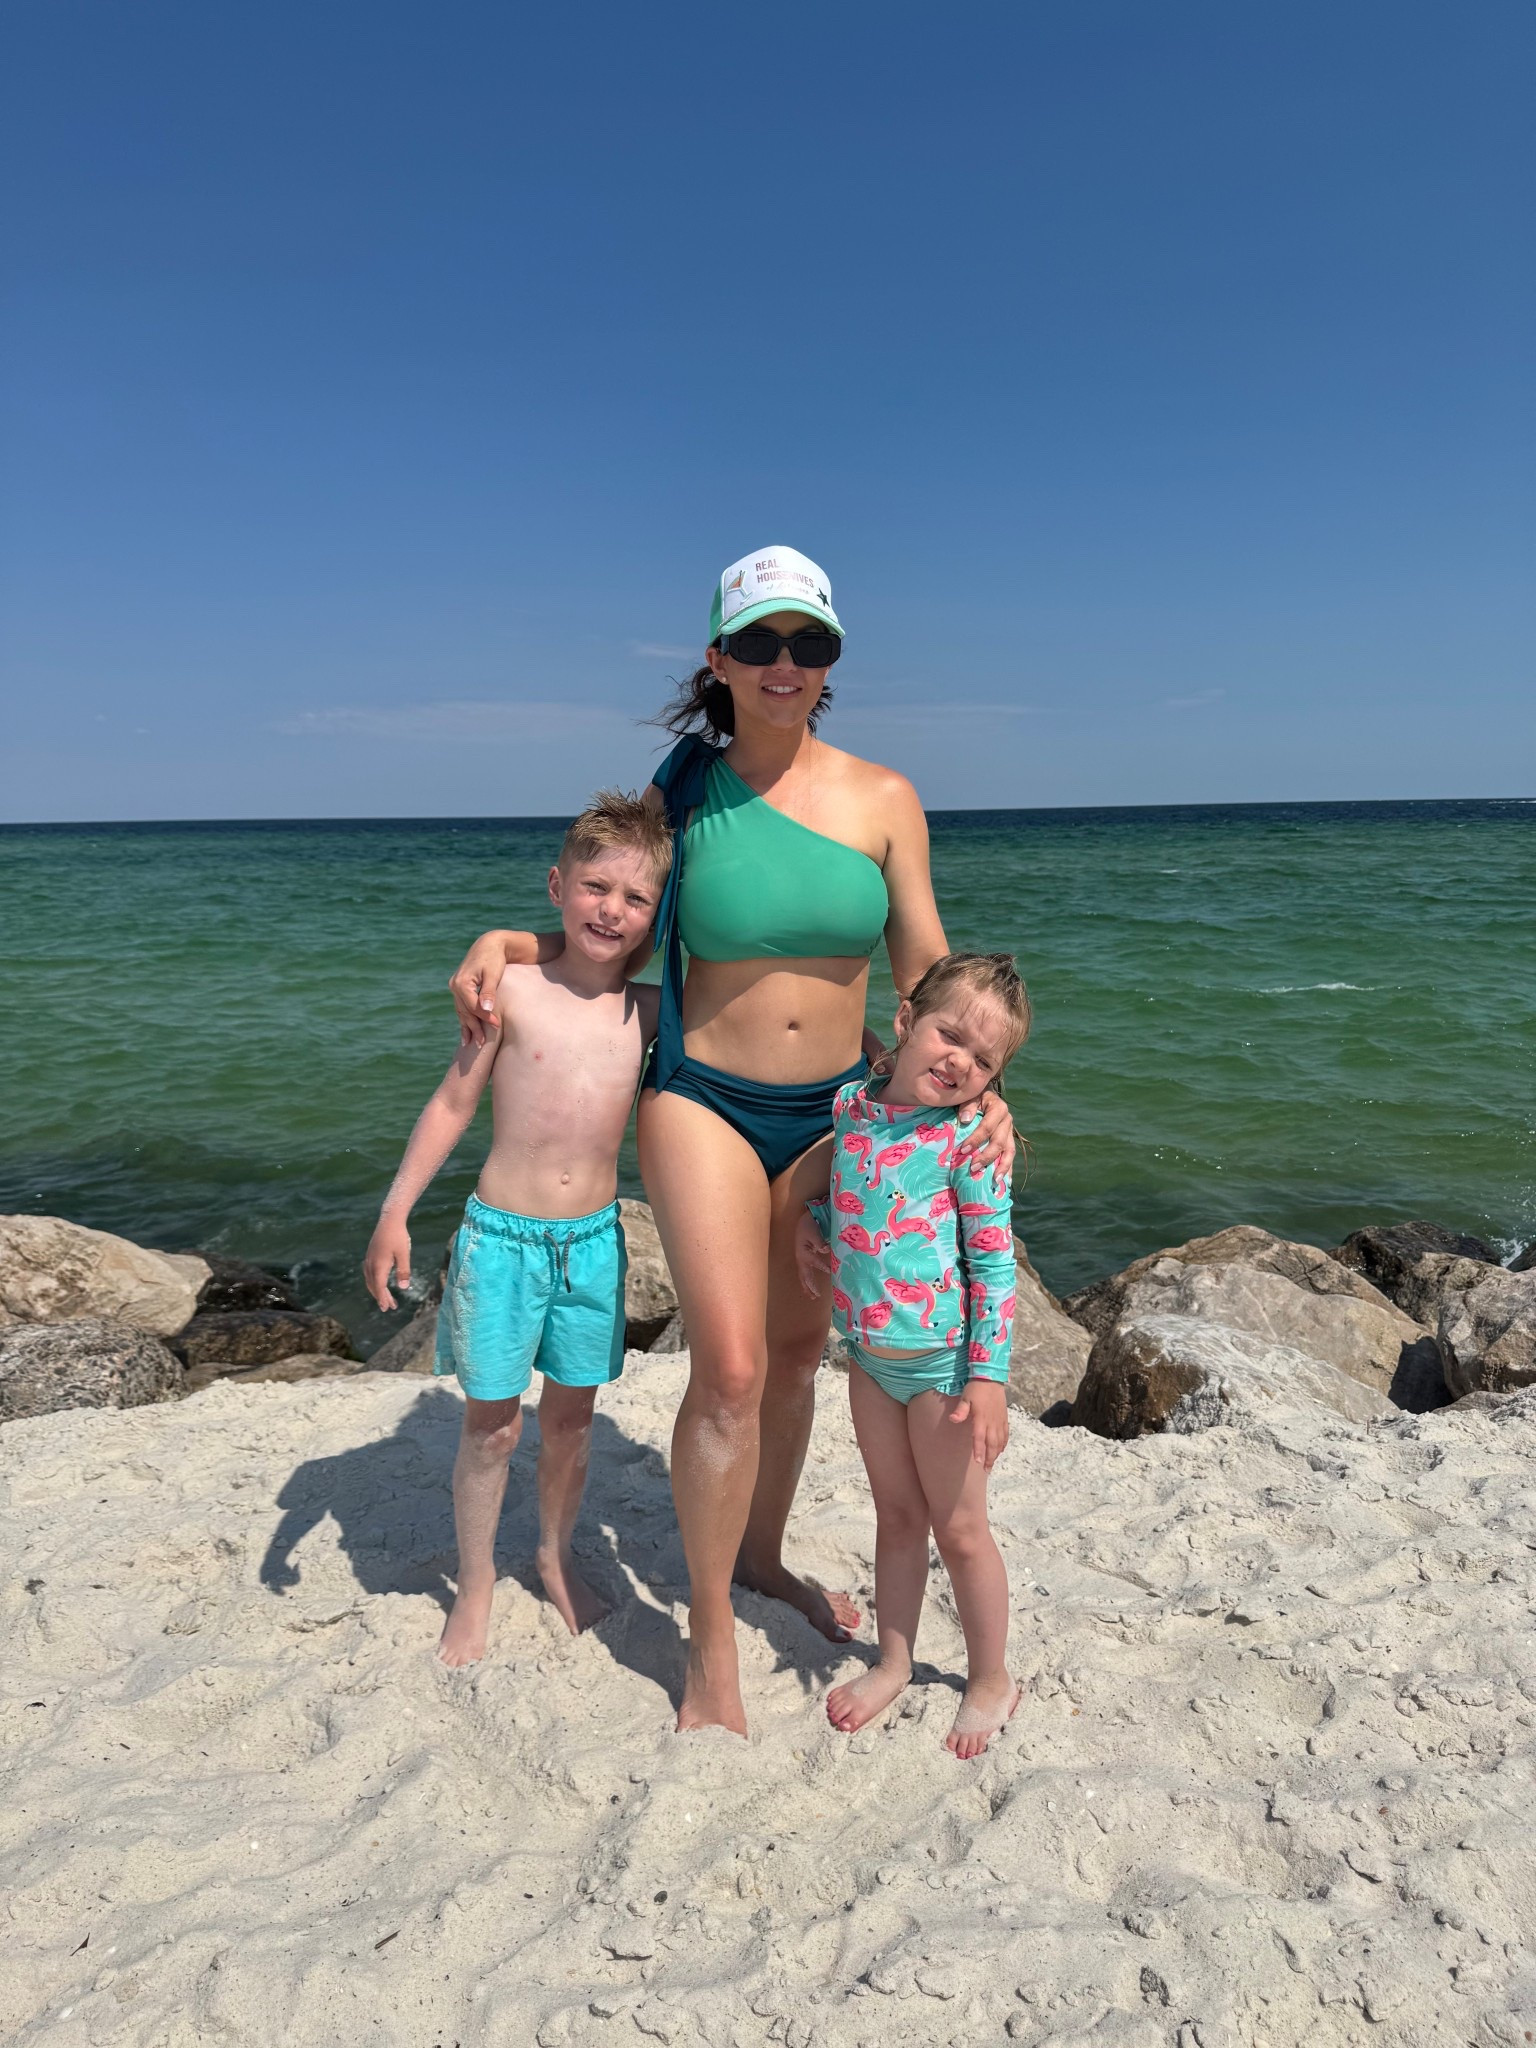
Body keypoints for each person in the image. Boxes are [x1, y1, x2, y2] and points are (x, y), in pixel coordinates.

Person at [450, 544, 1016, 1734]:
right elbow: (602, 910)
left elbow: (925, 977)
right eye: (758, 642)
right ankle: (711, 1641)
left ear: (830, 663)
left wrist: (983, 1090)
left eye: (808, 643)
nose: (783, 664)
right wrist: (505, 937)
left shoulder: (885, 798)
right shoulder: (682, 793)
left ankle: (759, 1555)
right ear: (717, 658)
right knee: (735, 1371)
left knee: (805, 1356)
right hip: (702, 1096)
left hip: (842, 1117)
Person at [364, 791, 670, 1664]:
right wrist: (395, 1213)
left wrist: (876, 1054)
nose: (611, 909)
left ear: (656, 913)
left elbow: (746, 1027)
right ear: (556, 886)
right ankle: (475, 1583)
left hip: (594, 1244)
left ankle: (552, 1554)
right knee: (493, 1425)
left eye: (636, 897)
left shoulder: (650, 1013)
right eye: (595, 887)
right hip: (501, 1240)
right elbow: (454, 1099)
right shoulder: (514, 990)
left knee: (571, 1422)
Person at [796, 952, 1030, 1759]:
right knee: (896, 1517)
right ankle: (894, 1659)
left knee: (961, 1530)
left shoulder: (968, 1140)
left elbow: (994, 1264)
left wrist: (990, 1379)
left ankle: (991, 1678)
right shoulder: (850, 1108)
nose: (960, 1060)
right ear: (905, 1022)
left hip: (944, 1366)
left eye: (984, 1058)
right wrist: (813, 1226)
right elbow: (855, 1196)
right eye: (949, 1034)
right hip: (867, 1354)